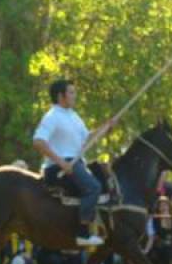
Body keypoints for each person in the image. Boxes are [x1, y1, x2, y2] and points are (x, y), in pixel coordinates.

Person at [33, 79, 117, 246]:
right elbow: (38, 141)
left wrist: (105, 128)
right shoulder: (52, 116)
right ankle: (83, 233)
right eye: (71, 92)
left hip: (76, 164)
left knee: (105, 182)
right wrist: (61, 162)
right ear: (60, 96)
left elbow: (87, 139)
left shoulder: (74, 116)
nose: (74, 96)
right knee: (93, 187)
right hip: (58, 168)